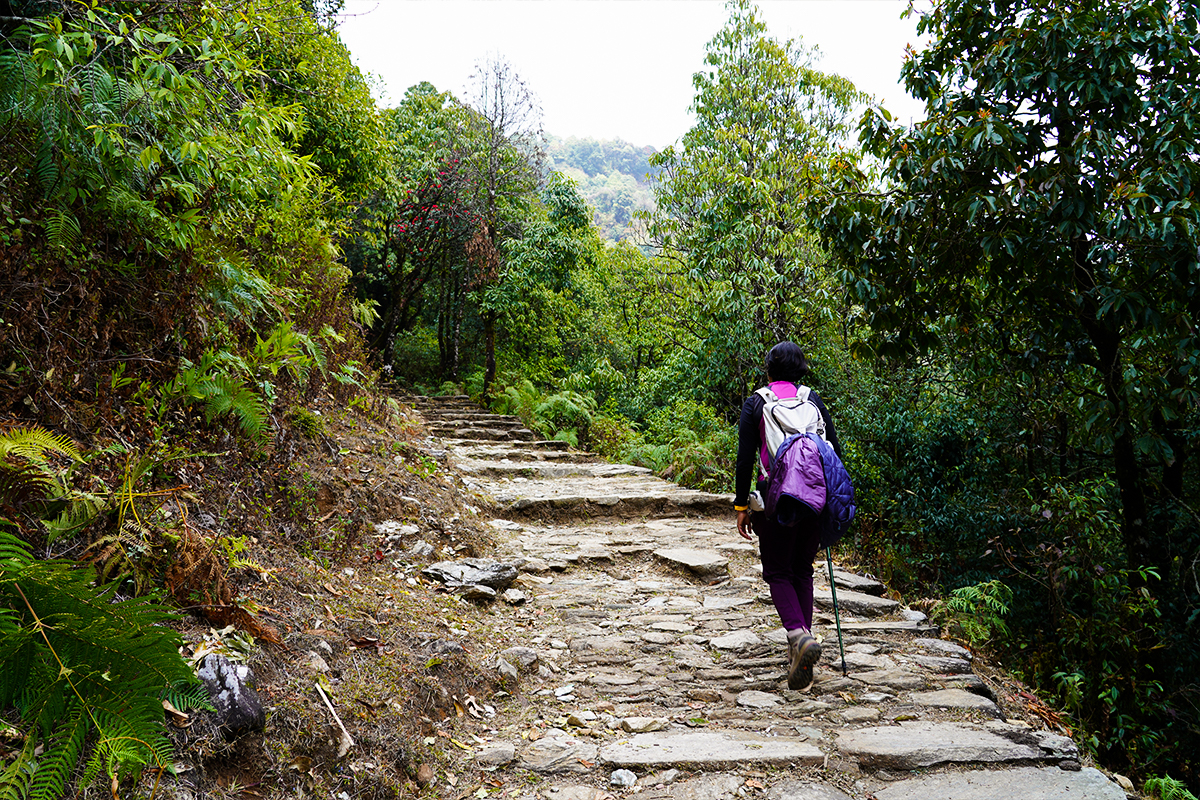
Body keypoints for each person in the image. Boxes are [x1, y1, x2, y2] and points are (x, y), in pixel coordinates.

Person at [734, 341, 842, 692]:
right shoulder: (813, 401)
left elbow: (745, 459)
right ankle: (801, 644)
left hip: (775, 497)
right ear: (801, 371)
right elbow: (834, 453)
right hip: (816, 497)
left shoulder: (757, 403)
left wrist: (741, 506)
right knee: (802, 570)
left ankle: (798, 637)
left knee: (778, 571)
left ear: (768, 369)